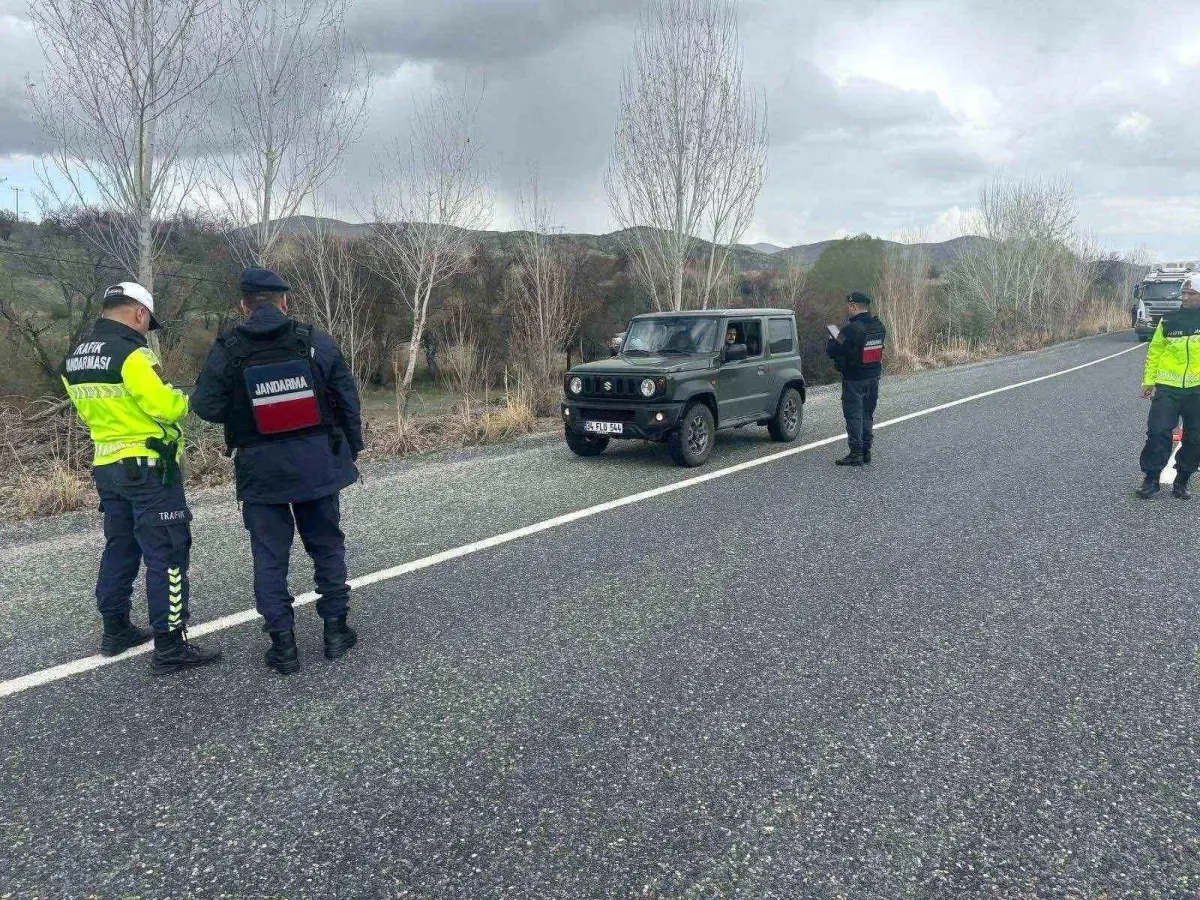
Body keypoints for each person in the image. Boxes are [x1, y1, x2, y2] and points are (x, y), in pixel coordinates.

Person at [191, 268, 364, 673]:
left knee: (269, 556)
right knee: (326, 545)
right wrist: (351, 450)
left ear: (243, 306)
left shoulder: (227, 349)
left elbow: (206, 407)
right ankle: (336, 633)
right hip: (316, 463)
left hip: (260, 470)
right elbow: (346, 395)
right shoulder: (313, 341)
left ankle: (283, 647)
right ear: (284, 303)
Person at [61, 282, 221, 673]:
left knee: (121, 547)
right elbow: (164, 406)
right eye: (148, 322)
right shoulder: (132, 354)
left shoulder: (74, 359)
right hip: (149, 467)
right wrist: (185, 399)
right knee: (167, 552)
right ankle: (170, 644)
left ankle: (115, 630)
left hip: (106, 465)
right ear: (139, 314)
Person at [1136, 275, 1200, 499]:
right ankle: (1151, 479)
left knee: (1195, 438)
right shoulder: (1169, 319)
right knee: (1157, 433)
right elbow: (1155, 351)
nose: (1185, 297)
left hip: (1197, 390)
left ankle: (1182, 480)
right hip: (1168, 388)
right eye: (1183, 293)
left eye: (1191, 294)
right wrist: (1148, 381)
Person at [826, 291, 887, 467]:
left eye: (848, 306)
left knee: (853, 416)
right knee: (867, 414)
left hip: (854, 379)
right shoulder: (879, 325)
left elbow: (832, 351)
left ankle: (855, 454)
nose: (847, 308)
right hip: (874, 377)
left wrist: (833, 337)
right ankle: (866, 451)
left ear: (853, 306)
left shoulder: (851, 330)